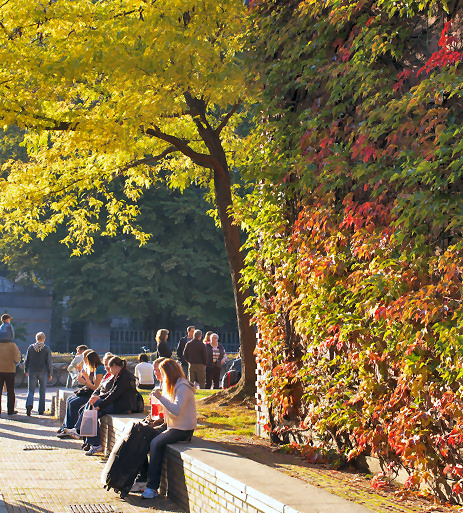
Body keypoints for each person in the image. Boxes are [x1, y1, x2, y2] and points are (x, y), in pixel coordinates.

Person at [142, 358, 197, 499]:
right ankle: (143, 478)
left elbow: (177, 410)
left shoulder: (182, 387)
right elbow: (170, 409)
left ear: (168, 373)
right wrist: (159, 403)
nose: (159, 375)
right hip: (174, 425)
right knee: (144, 435)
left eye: (161, 372)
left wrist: (161, 398)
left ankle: (152, 486)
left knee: (155, 443)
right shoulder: (174, 386)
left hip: (182, 429)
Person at [74, 356, 138, 456]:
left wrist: (100, 405)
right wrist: (98, 398)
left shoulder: (125, 377)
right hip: (117, 403)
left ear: (115, 366)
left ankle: (79, 430)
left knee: (93, 407)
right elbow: (111, 391)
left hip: (123, 407)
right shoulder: (119, 375)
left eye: (110, 367)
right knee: (93, 412)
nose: (109, 371)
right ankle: (94, 444)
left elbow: (114, 394)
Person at [57, 350, 105, 436]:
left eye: (86, 360)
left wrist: (85, 381)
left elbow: (96, 388)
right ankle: (66, 427)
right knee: (70, 400)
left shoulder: (99, 369)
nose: (85, 362)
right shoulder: (94, 368)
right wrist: (83, 375)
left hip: (95, 395)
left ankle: (70, 428)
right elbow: (90, 383)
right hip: (90, 392)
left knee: (74, 403)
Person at [24, 332, 53, 416]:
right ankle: (41, 410)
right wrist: (50, 373)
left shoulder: (30, 347)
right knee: (42, 391)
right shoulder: (47, 348)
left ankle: (29, 405)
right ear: (44, 339)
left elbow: (26, 360)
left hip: (32, 371)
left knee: (31, 390)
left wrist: (26, 370)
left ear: (36, 338)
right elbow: (49, 362)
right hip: (43, 372)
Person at [0, 314, 21, 416]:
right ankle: (10, 410)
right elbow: (17, 358)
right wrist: (15, 363)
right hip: (10, 370)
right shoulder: (13, 345)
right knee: (10, 391)